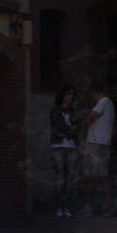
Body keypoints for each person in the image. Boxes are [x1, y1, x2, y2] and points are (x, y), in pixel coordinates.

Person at [82, 80, 116, 216]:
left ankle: (93, 206)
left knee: (94, 176)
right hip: (102, 143)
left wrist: (85, 120)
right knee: (101, 176)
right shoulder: (109, 104)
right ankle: (104, 205)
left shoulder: (104, 102)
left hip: (96, 143)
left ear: (94, 92)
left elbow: (91, 117)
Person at [49, 85, 80, 218]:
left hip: (71, 145)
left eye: (72, 94)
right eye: (68, 94)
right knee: (60, 178)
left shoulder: (74, 111)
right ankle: (59, 207)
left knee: (70, 178)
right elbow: (57, 127)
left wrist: (70, 130)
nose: (70, 97)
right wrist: (69, 130)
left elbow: (77, 126)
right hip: (58, 145)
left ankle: (67, 206)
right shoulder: (55, 110)